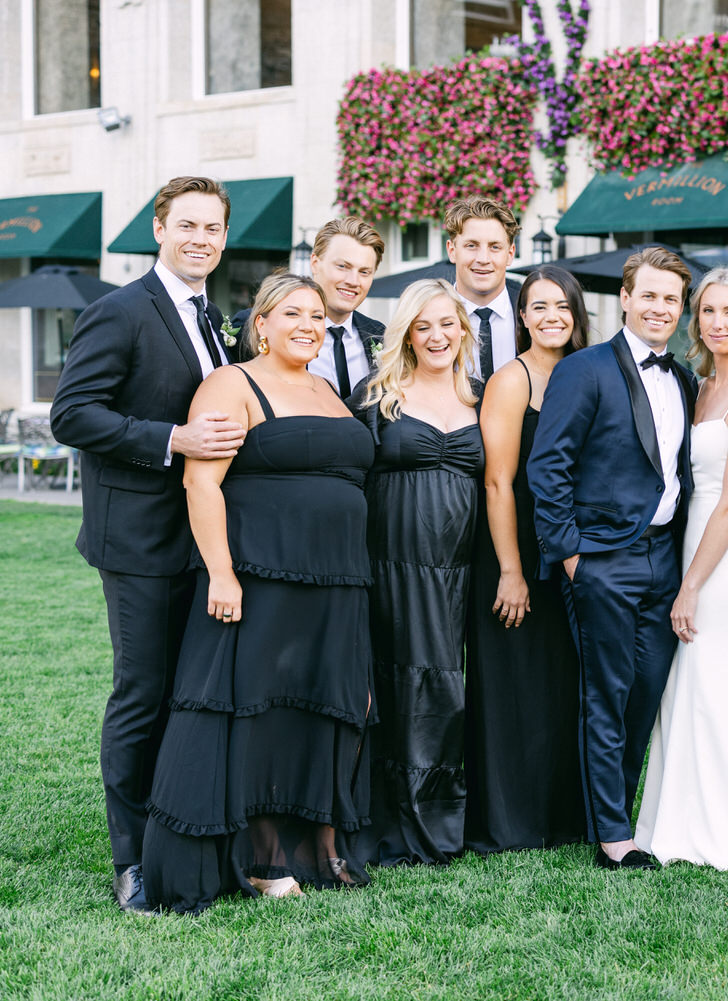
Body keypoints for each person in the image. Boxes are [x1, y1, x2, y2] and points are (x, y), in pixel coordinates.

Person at [141, 272, 375, 913]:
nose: (308, 324)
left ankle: (315, 844)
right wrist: (220, 572)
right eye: (292, 313)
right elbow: (202, 484)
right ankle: (263, 858)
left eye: (317, 315)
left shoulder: (328, 388)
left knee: (318, 705)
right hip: (259, 577)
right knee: (258, 709)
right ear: (261, 324)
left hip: (337, 582)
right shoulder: (231, 382)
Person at [50, 176, 244, 914]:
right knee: (141, 693)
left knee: (185, 694)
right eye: (187, 225)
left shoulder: (212, 317)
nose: (201, 239)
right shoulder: (120, 310)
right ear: (159, 228)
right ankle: (131, 859)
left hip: (200, 539)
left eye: (213, 228)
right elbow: (73, 414)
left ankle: (181, 836)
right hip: (136, 540)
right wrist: (173, 439)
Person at [527, 246, 698, 871]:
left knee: (644, 693)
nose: (659, 308)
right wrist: (571, 554)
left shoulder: (683, 378)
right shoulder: (586, 368)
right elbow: (547, 466)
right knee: (607, 692)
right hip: (602, 558)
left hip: (665, 559)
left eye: (671, 299)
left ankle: (613, 811)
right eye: (648, 295)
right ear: (625, 298)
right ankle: (612, 838)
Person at [634, 267, 728, 871]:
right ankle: (679, 816)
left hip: (727, 552)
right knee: (688, 681)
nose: (717, 323)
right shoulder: (697, 384)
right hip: (687, 537)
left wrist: (691, 586)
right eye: (707, 311)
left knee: (720, 677)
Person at [351, 279, 483, 867]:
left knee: (447, 685)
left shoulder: (481, 396)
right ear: (406, 332)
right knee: (396, 682)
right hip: (392, 564)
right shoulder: (377, 396)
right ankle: (389, 821)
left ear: (463, 332)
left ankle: (440, 815)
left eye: (447, 325)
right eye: (423, 326)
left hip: (462, 569)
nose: (437, 336)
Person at [466, 266, 589, 854]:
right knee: (515, 683)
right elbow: (497, 480)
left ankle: (562, 815)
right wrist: (511, 570)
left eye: (562, 307)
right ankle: (511, 821)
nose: (551, 318)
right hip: (515, 545)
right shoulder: (512, 379)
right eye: (538, 307)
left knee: (564, 683)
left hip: (573, 550)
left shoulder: (587, 371)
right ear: (521, 316)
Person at [227, 217, 386, 392]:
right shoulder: (255, 326)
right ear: (315, 263)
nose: (353, 281)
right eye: (342, 266)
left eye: (364, 272)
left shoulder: (379, 335)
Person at [444, 196, 523, 382]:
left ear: (510, 254)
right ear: (452, 250)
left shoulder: (531, 312)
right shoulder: (425, 315)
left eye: (495, 247)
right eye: (471, 245)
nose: (483, 258)